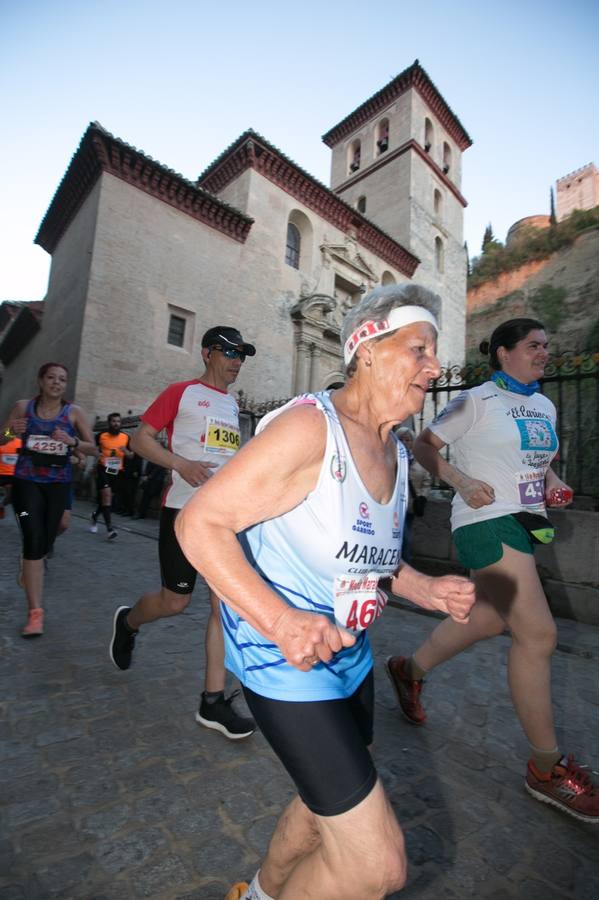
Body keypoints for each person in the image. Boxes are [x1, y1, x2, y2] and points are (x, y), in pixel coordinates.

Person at [175, 286, 476, 900]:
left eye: (434, 354)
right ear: (365, 347)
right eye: (419, 349)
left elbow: (369, 559)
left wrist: (425, 587)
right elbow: (197, 524)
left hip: (349, 658)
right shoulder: (311, 428)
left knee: (321, 810)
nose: (434, 366)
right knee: (378, 868)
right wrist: (282, 622)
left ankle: (257, 894)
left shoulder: (394, 448)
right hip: (284, 662)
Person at [386, 318, 599, 824]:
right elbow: (423, 446)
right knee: (539, 634)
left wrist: (552, 480)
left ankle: (407, 670)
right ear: (504, 353)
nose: (544, 353)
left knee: (485, 619)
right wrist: (460, 480)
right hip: (483, 521)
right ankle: (546, 768)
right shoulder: (475, 399)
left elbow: (537, 458)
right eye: (534, 346)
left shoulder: (543, 403)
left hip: (526, 523)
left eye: (548, 345)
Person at [109, 326, 258, 740]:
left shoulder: (234, 406)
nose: (237, 361)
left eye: (242, 355)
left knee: (222, 608)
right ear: (208, 353)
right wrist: (180, 464)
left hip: (224, 518)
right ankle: (129, 623)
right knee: (175, 602)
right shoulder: (181, 392)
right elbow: (139, 440)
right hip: (182, 513)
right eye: (229, 352)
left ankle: (212, 702)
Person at [1, 362, 95, 636]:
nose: (56, 383)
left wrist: (72, 442)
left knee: (51, 533)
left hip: (57, 485)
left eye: (62, 379)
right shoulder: (22, 408)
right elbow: (1, 436)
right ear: (41, 381)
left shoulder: (74, 413)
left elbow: (94, 450)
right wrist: (11, 431)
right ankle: (35, 613)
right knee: (32, 538)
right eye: (51, 378)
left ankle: (32, 563)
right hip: (26, 482)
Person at [90, 412, 133, 540]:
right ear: (109, 423)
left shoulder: (126, 437)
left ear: (121, 424)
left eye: (118, 422)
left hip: (117, 472)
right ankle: (110, 529)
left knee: (106, 500)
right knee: (107, 496)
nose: (116, 424)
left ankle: (94, 516)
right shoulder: (101, 436)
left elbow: (132, 455)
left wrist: (126, 452)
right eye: (113, 421)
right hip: (103, 469)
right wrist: (97, 455)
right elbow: (93, 449)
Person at [394, 425, 431, 563]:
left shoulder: (419, 460)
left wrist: (422, 496)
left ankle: (403, 563)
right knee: (402, 537)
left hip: (411, 505)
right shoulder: (391, 457)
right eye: (402, 439)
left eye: (408, 440)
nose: (405, 442)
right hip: (394, 505)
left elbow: (426, 480)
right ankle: (402, 562)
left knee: (405, 535)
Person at [0, 434, 21, 518]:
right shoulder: (1, 442)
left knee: (11, 497)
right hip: (4, 475)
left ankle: (2, 505)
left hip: (12, 476)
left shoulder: (20, 443)